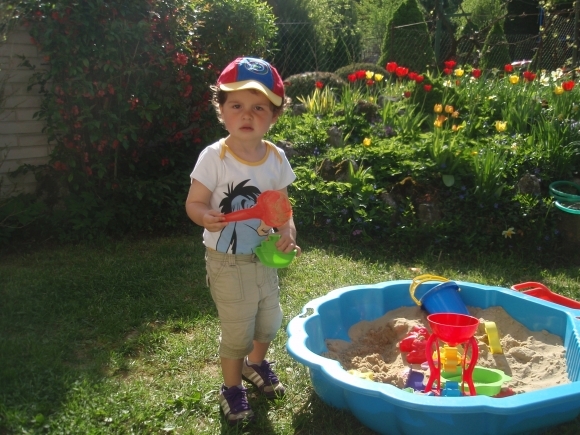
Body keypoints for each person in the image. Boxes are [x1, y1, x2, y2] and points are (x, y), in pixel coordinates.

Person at [185, 57, 301, 426]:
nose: (247, 114)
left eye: (258, 107)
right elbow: (194, 202)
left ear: (274, 115)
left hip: (264, 258)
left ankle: (256, 364)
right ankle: (232, 388)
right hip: (227, 261)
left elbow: (281, 207)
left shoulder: (275, 157)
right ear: (221, 110)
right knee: (237, 329)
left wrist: (287, 232)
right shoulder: (214, 157)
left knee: (268, 321)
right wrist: (204, 215)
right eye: (236, 105)